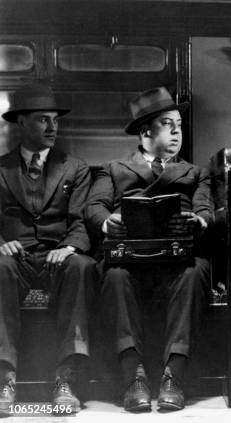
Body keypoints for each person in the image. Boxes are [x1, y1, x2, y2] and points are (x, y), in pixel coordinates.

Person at [84, 87, 212, 412]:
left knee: (196, 270)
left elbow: (206, 210)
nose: (177, 133)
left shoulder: (196, 173)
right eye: (168, 124)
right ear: (145, 131)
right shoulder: (112, 170)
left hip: (176, 257)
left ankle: (174, 375)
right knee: (113, 275)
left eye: (179, 125)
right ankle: (134, 376)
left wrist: (196, 223)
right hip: (129, 257)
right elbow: (94, 207)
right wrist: (107, 222)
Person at [0, 84, 97, 413]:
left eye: (55, 120)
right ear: (22, 123)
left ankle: (65, 379)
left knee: (82, 266)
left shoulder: (75, 168)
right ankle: (4, 378)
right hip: (17, 259)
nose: (53, 127)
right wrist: (1, 244)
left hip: (58, 258)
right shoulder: (0, 167)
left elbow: (81, 220)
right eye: (43, 120)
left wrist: (70, 247)